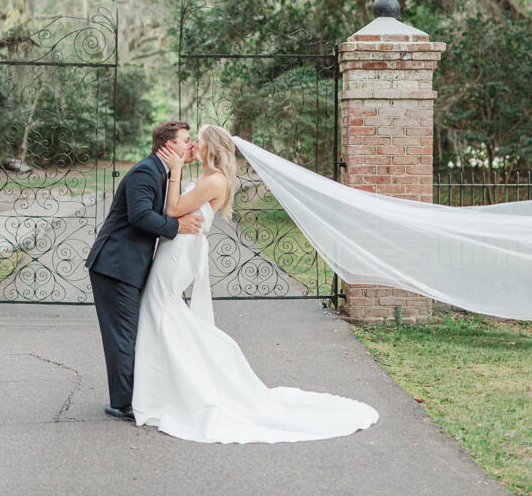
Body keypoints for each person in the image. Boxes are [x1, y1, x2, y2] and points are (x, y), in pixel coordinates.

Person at [131, 124, 378, 443]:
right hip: (177, 248)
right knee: (162, 309)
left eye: (199, 142)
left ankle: (176, 383)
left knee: (159, 306)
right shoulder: (209, 175)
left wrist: (177, 169)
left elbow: (174, 209)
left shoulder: (215, 180)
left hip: (180, 252)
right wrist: (185, 164)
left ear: (211, 148)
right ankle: (166, 383)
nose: (194, 146)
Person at [85, 121, 204, 421]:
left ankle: (133, 395)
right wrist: (177, 226)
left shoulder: (164, 172)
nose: (190, 145)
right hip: (115, 264)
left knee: (131, 331)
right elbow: (140, 216)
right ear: (168, 146)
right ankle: (124, 403)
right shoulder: (145, 171)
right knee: (123, 335)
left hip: (130, 265)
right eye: (186, 140)